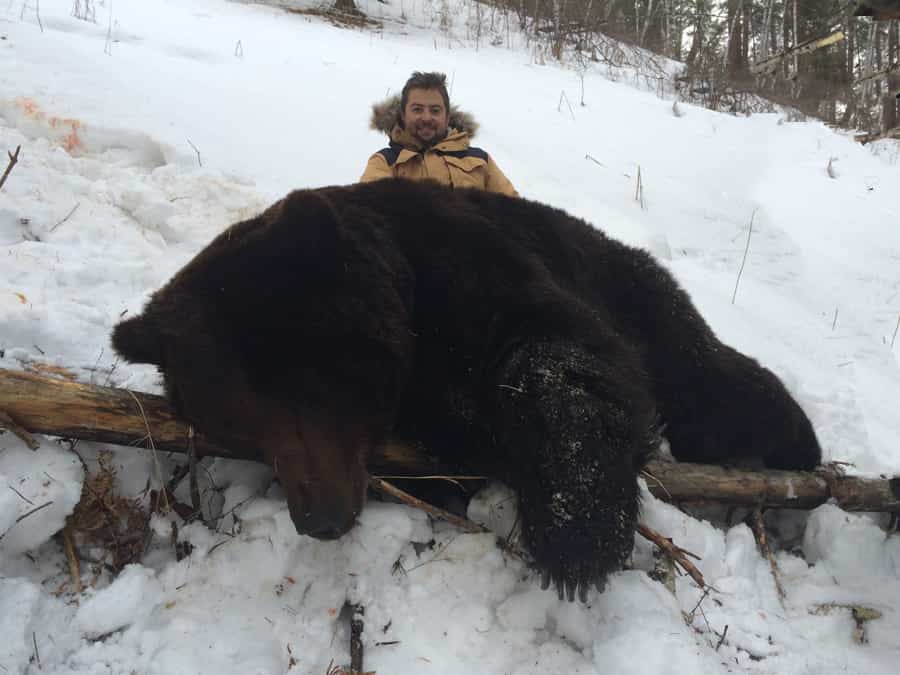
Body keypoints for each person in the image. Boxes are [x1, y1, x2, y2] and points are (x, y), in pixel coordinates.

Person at [360, 72, 518, 196]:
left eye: (435, 110)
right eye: (417, 109)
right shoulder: (384, 162)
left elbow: (515, 212)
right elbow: (367, 212)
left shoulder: (480, 160)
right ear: (403, 115)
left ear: (447, 116)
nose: (427, 117)